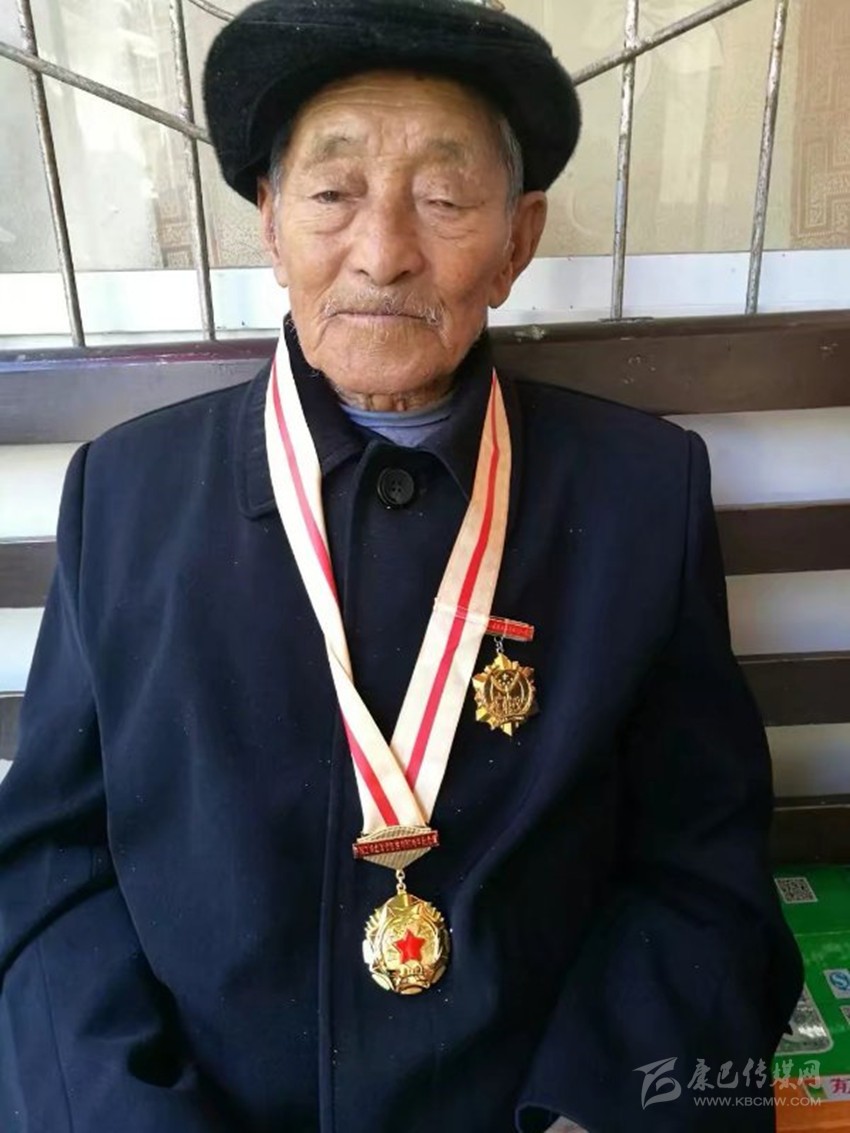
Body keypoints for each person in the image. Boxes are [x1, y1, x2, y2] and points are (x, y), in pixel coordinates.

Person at [0, 1, 802, 1131]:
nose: (382, 252)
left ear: (517, 242)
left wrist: (588, 1115)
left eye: (444, 198)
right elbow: (50, 874)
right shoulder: (124, 496)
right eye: (333, 193)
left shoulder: (639, 493)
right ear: (270, 222)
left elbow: (700, 865)